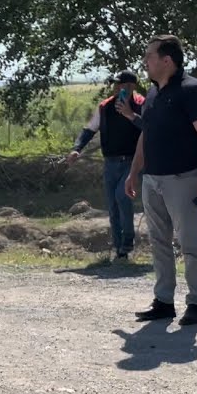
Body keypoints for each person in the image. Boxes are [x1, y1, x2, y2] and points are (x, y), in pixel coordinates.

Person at [125, 35, 197, 326]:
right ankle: (164, 301)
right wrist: (134, 171)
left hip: (183, 179)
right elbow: (146, 135)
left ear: (167, 60)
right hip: (152, 180)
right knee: (158, 242)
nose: (145, 62)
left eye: (149, 56)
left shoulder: (192, 91)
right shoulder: (153, 94)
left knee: (189, 243)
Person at [65, 70, 146, 260]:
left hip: (132, 161)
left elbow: (149, 128)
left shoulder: (142, 104)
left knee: (122, 196)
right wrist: (77, 148)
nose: (118, 88)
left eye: (123, 85)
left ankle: (128, 240)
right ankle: (119, 249)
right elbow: (89, 129)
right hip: (110, 162)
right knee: (113, 205)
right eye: (116, 85)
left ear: (132, 86)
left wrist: (130, 114)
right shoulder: (105, 107)